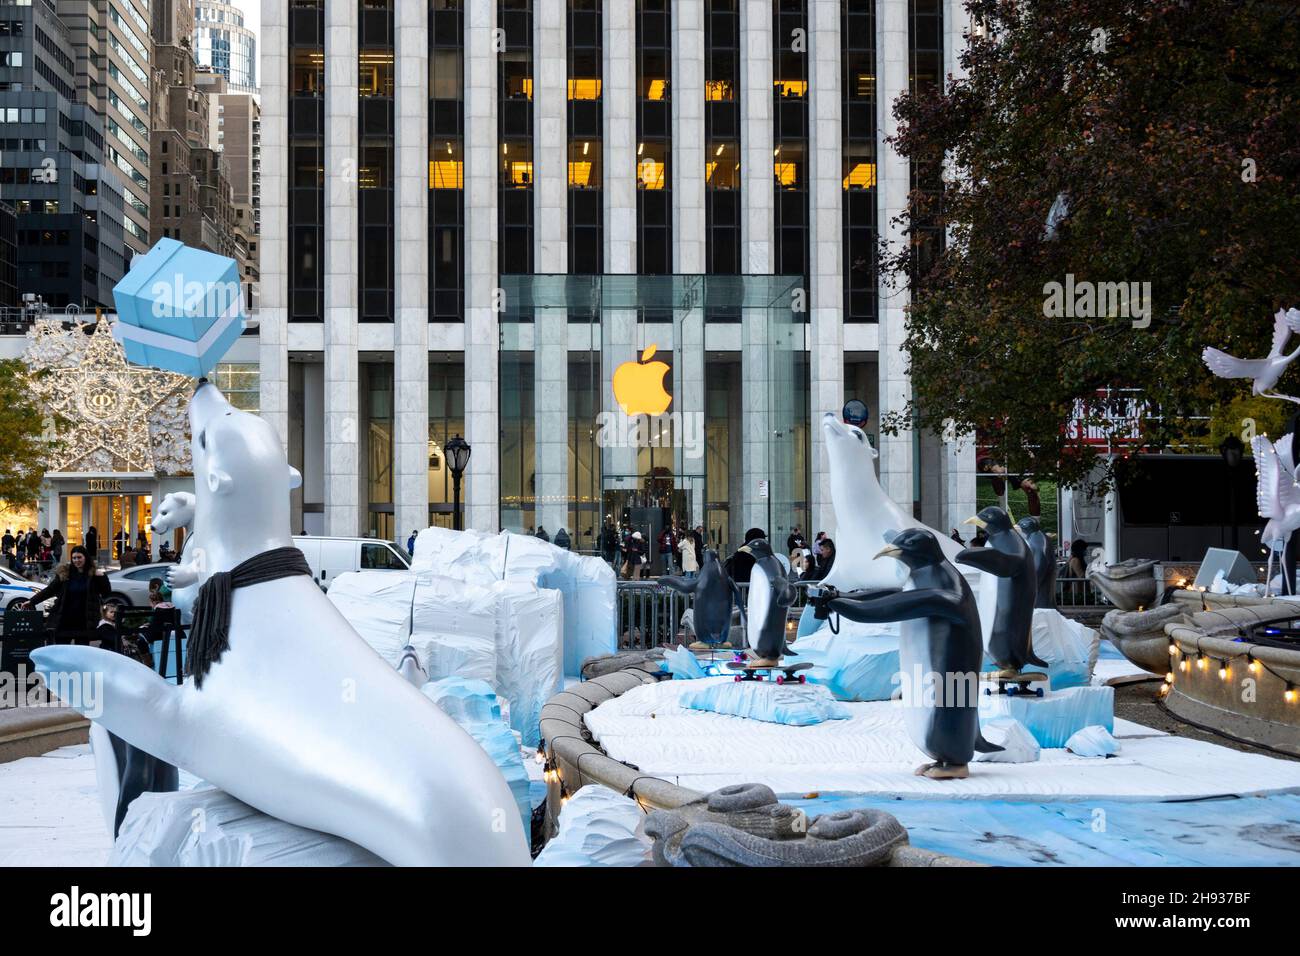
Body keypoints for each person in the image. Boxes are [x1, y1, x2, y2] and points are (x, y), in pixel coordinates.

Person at [21, 546, 111, 645]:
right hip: (64, 621)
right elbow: (50, 590)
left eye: (79, 557)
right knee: (61, 651)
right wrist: (32, 601)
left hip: (84, 622)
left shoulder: (94, 575)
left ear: (85, 557)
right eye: (74, 558)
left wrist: (102, 577)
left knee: (81, 653)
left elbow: (106, 593)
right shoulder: (65, 573)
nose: (77, 560)